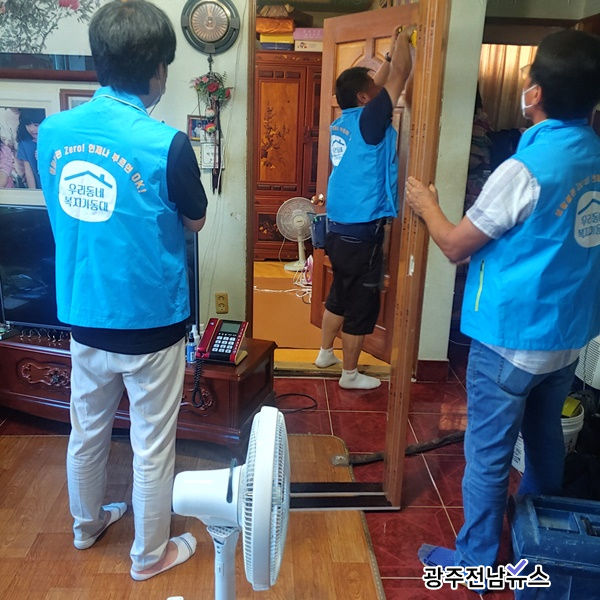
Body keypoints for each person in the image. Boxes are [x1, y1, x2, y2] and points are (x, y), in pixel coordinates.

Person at [405, 29, 600, 583]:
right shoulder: (593, 153)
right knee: (543, 441)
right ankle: (542, 540)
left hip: (511, 338)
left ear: (535, 93)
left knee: (488, 455)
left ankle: (474, 559)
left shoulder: (524, 170)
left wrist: (426, 204)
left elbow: (455, 245)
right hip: (566, 337)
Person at [37, 0, 208, 582]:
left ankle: (86, 527)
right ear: (158, 69)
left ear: (100, 60)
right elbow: (194, 221)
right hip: (151, 320)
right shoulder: (167, 143)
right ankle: (149, 555)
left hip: (83, 314)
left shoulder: (52, 132)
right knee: (151, 441)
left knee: (86, 429)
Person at [314, 25, 415, 390]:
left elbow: (382, 78)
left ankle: (325, 353)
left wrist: (386, 56)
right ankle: (350, 374)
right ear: (363, 97)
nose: (380, 89)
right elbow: (399, 75)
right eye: (373, 88)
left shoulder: (345, 122)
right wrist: (404, 40)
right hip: (362, 230)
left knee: (339, 292)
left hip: (338, 226)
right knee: (360, 302)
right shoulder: (371, 120)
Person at [16, 107, 45, 189]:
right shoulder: (24, 144)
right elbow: (28, 171)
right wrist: (32, 192)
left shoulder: (52, 141)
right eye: (28, 125)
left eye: (36, 125)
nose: (32, 129)